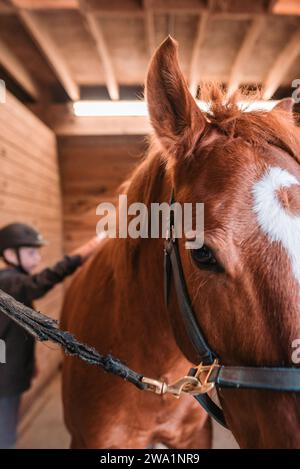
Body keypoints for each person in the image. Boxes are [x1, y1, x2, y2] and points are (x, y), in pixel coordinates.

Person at [0, 223, 102, 449]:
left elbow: (14, 331)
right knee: (5, 437)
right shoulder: (8, 281)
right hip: (4, 379)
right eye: (30, 252)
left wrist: (29, 362)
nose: (36, 258)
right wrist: (82, 253)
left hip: (10, 373)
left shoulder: (13, 284)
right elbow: (40, 284)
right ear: (9, 254)